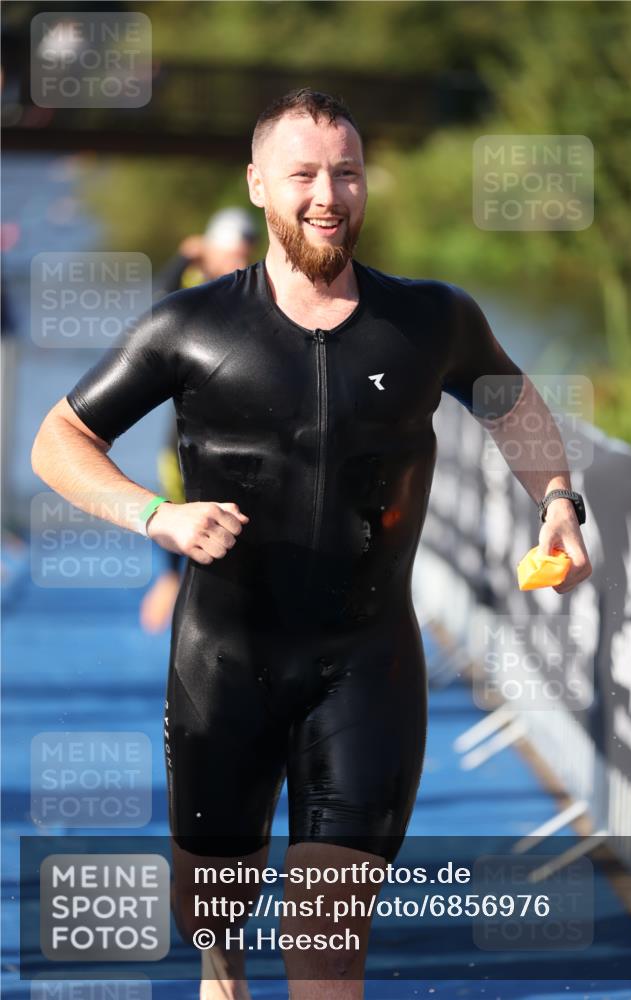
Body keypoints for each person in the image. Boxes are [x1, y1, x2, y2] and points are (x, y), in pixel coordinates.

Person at [31, 88, 592, 999]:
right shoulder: (193, 325)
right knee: (211, 905)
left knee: (327, 934)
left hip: (365, 664)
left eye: (346, 173)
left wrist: (559, 502)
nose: (327, 194)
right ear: (258, 185)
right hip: (224, 661)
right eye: (303, 174)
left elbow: (513, 404)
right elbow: (58, 439)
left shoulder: (429, 320)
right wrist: (154, 516)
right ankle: (221, 972)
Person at [140, 208, 258, 633]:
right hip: (188, 420)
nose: (238, 265)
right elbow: (159, 311)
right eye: (231, 255)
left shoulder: (257, 286)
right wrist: (183, 259)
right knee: (176, 494)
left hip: (243, 422)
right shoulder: (192, 284)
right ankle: (171, 578)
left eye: (245, 255)